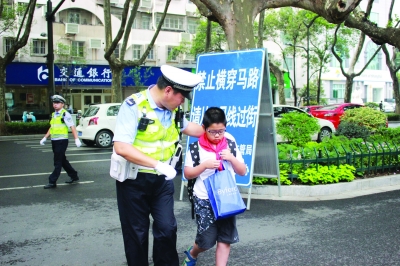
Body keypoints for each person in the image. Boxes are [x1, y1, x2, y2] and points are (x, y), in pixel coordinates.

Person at [112, 65, 204, 266]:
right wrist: (157, 164)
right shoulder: (133, 106)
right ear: (169, 90)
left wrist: (216, 128)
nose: (183, 102)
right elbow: (121, 147)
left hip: (162, 181)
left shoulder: (173, 110)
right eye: (182, 97)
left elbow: (193, 129)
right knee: (137, 233)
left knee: (167, 228)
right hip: (133, 180)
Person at [182, 107, 247, 266]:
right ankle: (193, 253)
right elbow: (188, 173)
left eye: (221, 131)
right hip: (204, 199)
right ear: (204, 128)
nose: (218, 135)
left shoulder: (230, 143)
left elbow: (243, 171)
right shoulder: (196, 148)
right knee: (206, 241)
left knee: (225, 238)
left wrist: (232, 158)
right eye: (213, 132)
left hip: (226, 196)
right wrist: (204, 166)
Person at [39, 95, 82, 189]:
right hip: (54, 140)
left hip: (62, 141)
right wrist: (45, 137)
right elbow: (52, 127)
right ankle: (74, 175)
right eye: (54, 103)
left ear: (62, 104)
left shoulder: (65, 114)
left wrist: (76, 139)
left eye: (57, 103)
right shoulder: (54, 114)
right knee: (62, 160)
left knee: (57, 161)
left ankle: (52, 181)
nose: (55, 105)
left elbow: (72, 127)